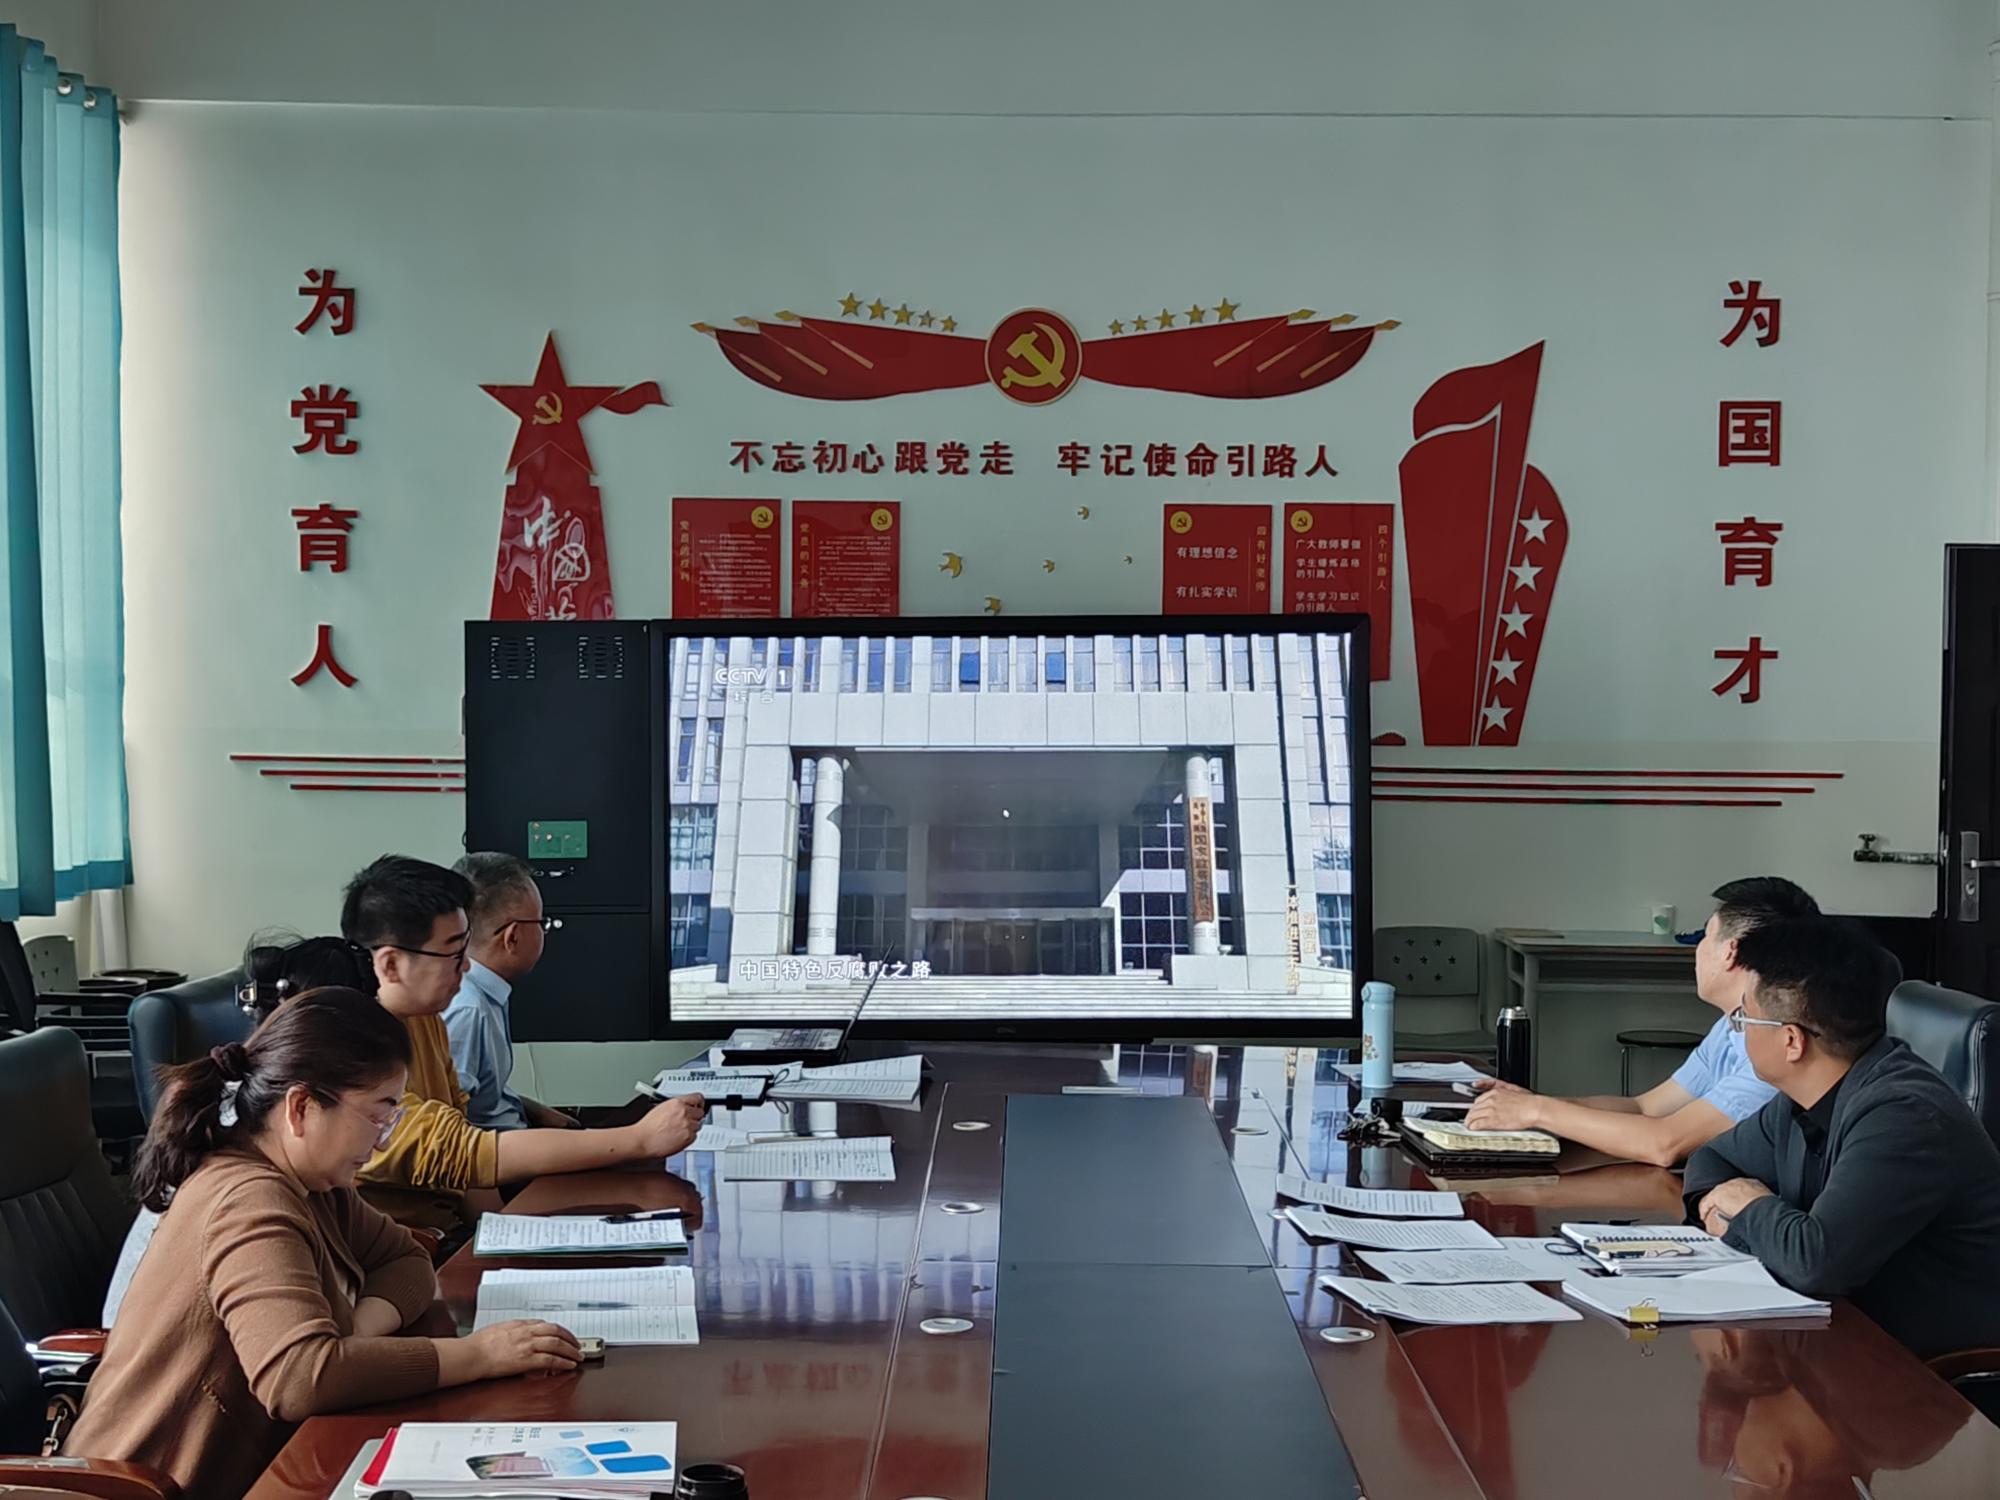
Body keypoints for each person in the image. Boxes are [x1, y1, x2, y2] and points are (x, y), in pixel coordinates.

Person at [63, 989, 583, 1500]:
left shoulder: (315, 1183)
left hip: (262, 1466)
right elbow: (298, 1379)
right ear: (302, 1108)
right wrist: (477, 1355)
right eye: (378, 1116)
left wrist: (354, 1333)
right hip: (148, 1487)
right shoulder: (248, 1200)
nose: (382, 1140)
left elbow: (407, 1260)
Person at [1683, 917, 2000, 1361]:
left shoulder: (1905, 1116)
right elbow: (1712, 1160)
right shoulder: (1803, 1098)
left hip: (1928, 1375)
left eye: (1744, 1018)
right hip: (1844, 1337)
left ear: (1791, 1041)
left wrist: (1750, 1208)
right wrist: (1731, 1211)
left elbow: (1816, 1263)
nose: (1740, 1030)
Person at [341, 854, 704, 1231]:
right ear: (390, 965)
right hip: (405, 1245)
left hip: (450, 1229)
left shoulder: (426, 1016)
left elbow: (464, 1146)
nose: (466, 966)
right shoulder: (352, 1054)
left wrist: (497, 1233)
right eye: (453, 953)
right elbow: (462, 1151)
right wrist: (639, 1139)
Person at [102, 931, 386, 1326]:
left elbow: (397, 1257)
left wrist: (361, 1330)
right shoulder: (249, 1144)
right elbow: (301, 1359)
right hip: (162, 1342)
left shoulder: (279, 1121)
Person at [1466, 877, 1818, 1166]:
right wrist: (1532, 1104)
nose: (1698, 950)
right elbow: (1645, 1108)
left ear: (1731, 951)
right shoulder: (1732, 1026)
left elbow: (1665, 1143)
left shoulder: (1775, 1048)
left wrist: (1539, 1112)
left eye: (1706, 936)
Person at [445, 851, 576, 1131]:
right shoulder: (467, 1010)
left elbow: (482, 1097)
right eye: (542, 923)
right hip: (500, 1154)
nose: (544, 931)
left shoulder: (483, 994)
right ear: (512, 937)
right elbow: (452, 1131)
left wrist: (536, 1111)